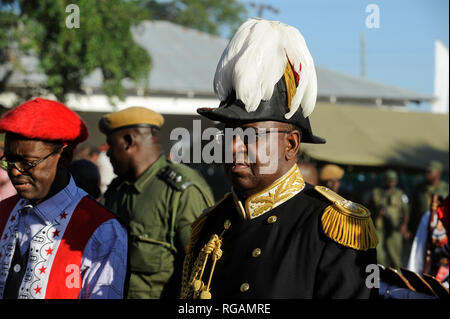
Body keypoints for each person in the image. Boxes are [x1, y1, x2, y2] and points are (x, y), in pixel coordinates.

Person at [180, 18, 378, 299]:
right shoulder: (211, 224)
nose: (235, 146)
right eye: (229, 134)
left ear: (291, 144)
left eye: (250, 136)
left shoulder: (331, 225)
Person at [0, 98, 127, 299]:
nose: (15, 172)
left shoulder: (102, 230)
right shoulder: (3, 212)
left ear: (64, 156)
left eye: (28, 162)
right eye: (9, 161)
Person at [98, 106, 215, 299]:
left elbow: (201, 270)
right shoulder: (118, 190)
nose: (108, 154)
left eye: (111, 145)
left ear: (128, 141)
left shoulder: (180, 191)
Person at [369, 170, 410, 269]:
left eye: (393, 180)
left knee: (395, 256)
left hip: (395, 227)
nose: (391, 183)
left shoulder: (400, 194)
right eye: (389, 180)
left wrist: (404, 225)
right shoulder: (377, 193)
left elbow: (406, 211)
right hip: (379, 226)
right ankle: (381, 276)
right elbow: (371, 208)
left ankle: (398, 278)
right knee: (378, 255)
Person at [409, 161, 449, 237]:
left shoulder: (446, 189)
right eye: (426, 171)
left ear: (438, 173)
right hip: (422, 229)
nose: (427, 174)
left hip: (441, 230)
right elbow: (413, 210)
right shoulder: (420, 188)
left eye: (430, 171)